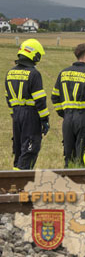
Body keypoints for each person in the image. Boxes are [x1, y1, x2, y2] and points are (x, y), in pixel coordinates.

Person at [52, 43, 85, 167]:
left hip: (68, 119)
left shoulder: (63, 73)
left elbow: (55, 96)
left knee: (69, 157)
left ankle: (68, 183)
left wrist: (64, 114)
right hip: (84, 120)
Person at [5, 39, 49, 170]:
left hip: (16, 114)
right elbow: (40, 100)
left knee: (18, 149)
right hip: (30, 115)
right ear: (34, 55)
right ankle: (21, 181)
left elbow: (8, 98)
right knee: (30, 149)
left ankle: (14, 179)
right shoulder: (34, 74)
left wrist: (15, 113)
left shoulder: (10, 73)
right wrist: (44, 119)